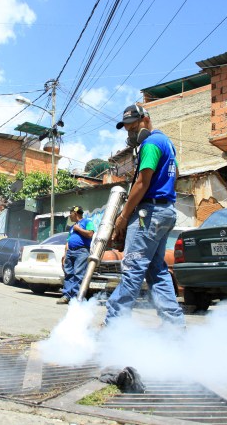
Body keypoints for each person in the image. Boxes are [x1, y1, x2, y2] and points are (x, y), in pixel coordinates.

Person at [104, 104, 185, 328]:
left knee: (132, 268)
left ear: (146, 119)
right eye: (128, 129)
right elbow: (175, 173)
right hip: (166, 210)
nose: (131, 133)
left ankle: (114, 327)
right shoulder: (166, 142)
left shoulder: (150, 144)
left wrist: (123, 216)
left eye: (133, 126)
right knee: (156, 270)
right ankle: (174, 327)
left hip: (148, 213)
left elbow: (142, 182)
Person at [57, 206, 95, 304]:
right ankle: (66, 296)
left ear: (75, 213)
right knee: (68, 273)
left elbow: (90, 234)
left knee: (78, 274)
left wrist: (78, 229)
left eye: (70, 213)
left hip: (81, 251)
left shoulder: (87, 222)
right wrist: (65, 254)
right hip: (70, 252)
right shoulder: (73, 226)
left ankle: (76, 297)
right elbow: (68, 241)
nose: (69, 216)